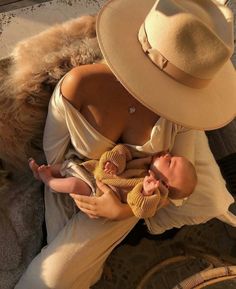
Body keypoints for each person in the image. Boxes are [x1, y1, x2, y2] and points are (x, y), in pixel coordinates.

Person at [15, 0, 236, 288]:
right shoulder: (78, 86)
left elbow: (177, 189)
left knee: (52, 277)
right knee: (52, 274)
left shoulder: (180, 113)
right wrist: (75, 189)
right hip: (74, 185)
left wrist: (121, 211)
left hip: (126, 205)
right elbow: (56, 159)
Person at [29, 144, 197, 218]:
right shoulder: (145, 161)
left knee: (73, 184)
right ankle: (44, 171)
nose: (167, 155)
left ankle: (49, 180)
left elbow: (140, 209)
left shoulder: (156, 197)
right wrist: (115, 162)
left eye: (169, 162)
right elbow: (124, 151)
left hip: (98, 192)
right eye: (172, 156)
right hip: (96, 171)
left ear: (164, 184)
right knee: (69, 165)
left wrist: (146, 192)